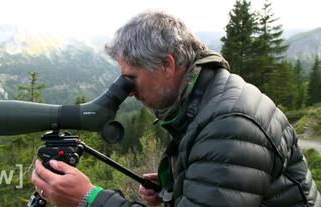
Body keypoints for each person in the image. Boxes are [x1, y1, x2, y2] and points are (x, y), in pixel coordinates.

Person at [31, 11, 321, 207]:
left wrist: (89, 199)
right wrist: (180, 185)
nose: (128, 92)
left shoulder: (231, 124)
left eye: (131, 79)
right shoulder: (207, 100)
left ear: (167, 65)